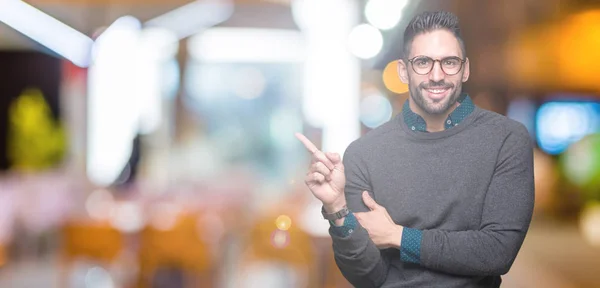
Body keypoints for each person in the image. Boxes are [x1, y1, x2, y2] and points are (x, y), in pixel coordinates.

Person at [295, 10, 534, 288]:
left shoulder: (506, 139)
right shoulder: (364, 154)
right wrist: (337, 208)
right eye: (422, 62)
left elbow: (497, 252)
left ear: (465, 69)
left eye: (449, 62)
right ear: (403, 71)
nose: (436, 75)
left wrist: (397, 236)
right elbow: (368, 277)